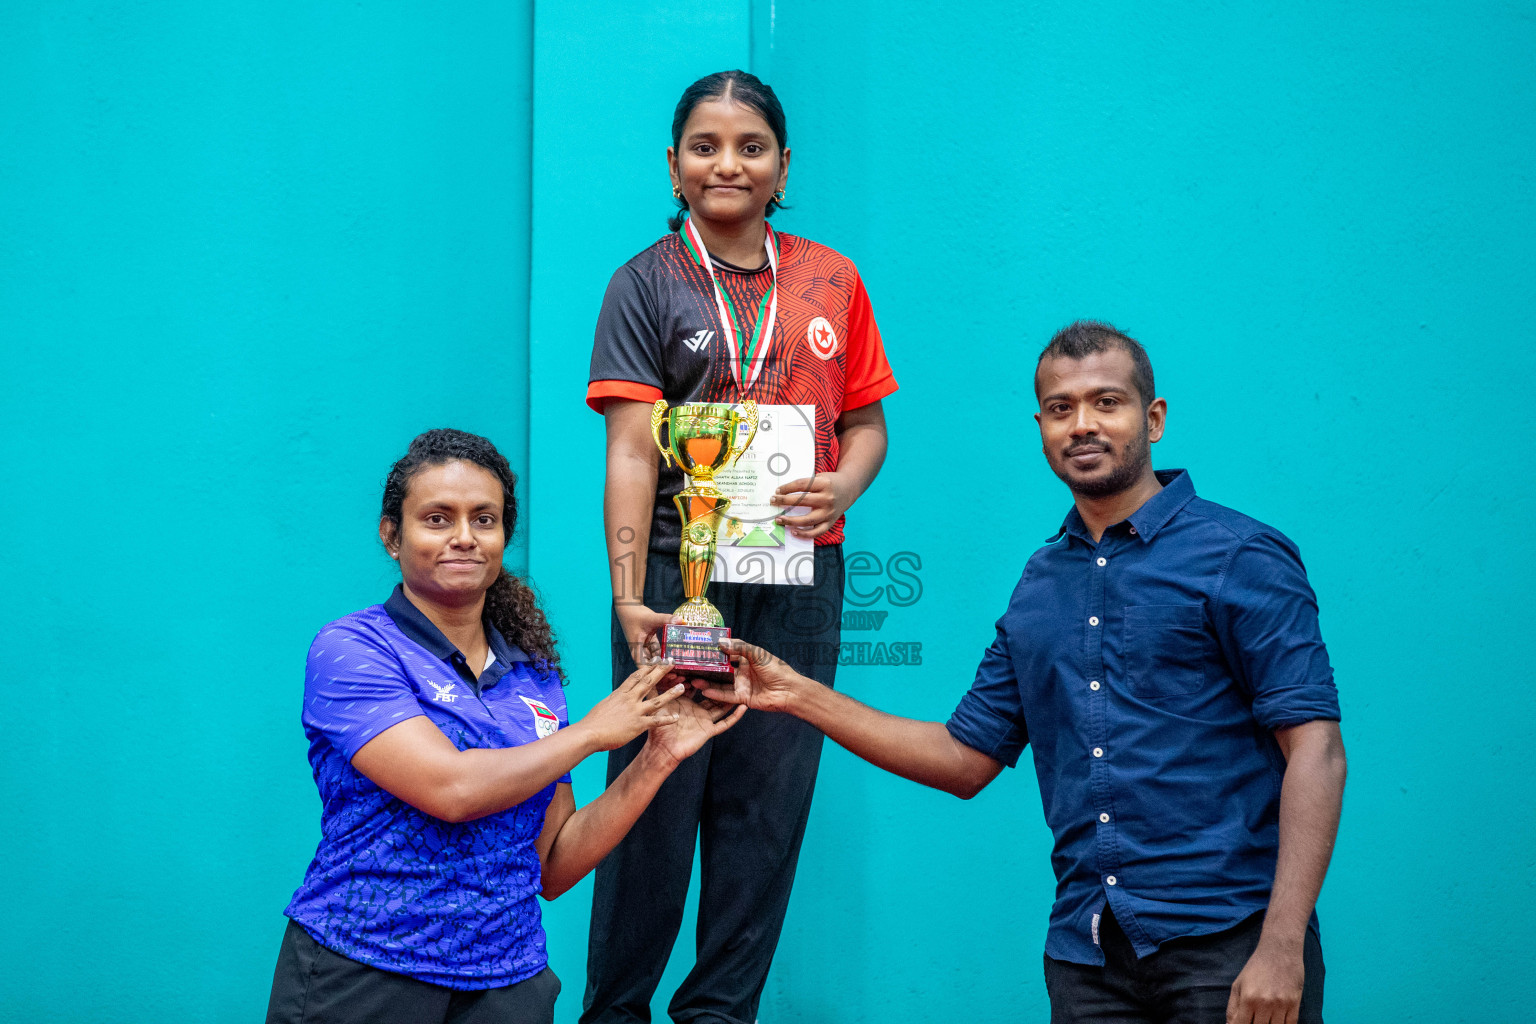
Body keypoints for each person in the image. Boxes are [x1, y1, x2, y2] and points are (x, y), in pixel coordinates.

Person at [701, 323, 1348, 1024]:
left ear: (1153, 418)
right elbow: (963, 758)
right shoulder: (1041, 584)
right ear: (1040, 427)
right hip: (1087, 959)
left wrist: (1283, 945)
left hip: (1228, 944)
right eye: (1062, 408)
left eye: (1108, 402)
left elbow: (1315, 750)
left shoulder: (1239, 555)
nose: (1084, 425)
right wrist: (793, 692)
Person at [582, 70, 898, 1024]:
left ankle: (720, 1013)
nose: (728, 163)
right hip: (685, 570)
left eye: (751, 146)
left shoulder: (833, 278)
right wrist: (632, 592)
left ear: (783, 166)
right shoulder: (643, 283)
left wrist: (844, 482)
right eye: (705, 146)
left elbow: (869, 424)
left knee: (769, 805)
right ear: (674, 167)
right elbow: (634, 452)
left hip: (802, 571)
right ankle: (615, 1013)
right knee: (655, 793)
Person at [266, 429, 743, 1024]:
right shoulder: (353, 649)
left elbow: (553, 864)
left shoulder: (533, 674)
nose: (464, 537)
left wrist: (657, 757)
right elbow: (452, 790)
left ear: (503, 535)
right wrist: (594, 733)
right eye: (438, 519)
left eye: (483, 520)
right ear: (393, 536)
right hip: (365, 968)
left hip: (508, 983)